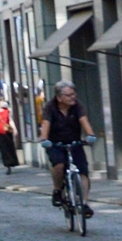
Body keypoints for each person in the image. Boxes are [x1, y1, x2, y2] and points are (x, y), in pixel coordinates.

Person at [41, 81, 99, 214]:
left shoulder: (77, 106)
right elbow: (46, 124)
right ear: (59, 97)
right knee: (59, 165)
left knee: (83, 171)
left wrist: (90, 135)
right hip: (55, 143)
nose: (73, 97)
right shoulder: (50, 107)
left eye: (73, 94)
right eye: (69, 95)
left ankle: (84, 203)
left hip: (74, 143)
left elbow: (84, 121)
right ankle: (57, 190)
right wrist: (44, 139)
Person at [0, 95, 19, 170]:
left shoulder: (7, 110)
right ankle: (7, 165)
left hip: (7, 131)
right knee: (3, 148)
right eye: (1, 101)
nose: (3, 103)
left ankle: (12, 162)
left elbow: (10, 120)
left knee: (10, 147)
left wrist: (14, 128)